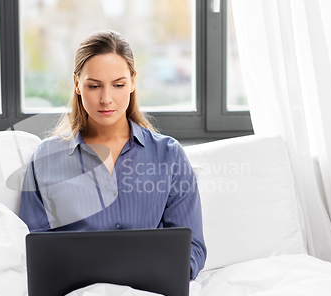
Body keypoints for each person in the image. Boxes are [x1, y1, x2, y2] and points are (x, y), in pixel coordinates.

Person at [19, 30, 206, 280]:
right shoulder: (46, 159)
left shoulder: (168, 155)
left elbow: (193, 249)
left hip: (148, 294)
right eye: (94, 86)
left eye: (118, 85)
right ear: (76, 84)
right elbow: (33, 248)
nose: (106, 99)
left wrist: (160, 273)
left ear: (132, 82)